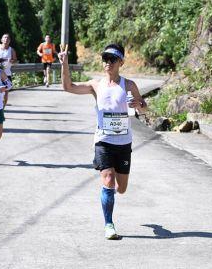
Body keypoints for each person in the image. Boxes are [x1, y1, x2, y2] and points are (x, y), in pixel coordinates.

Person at [59, 44, 147, 239]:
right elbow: (68, 87)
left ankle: (112, 192)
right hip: (103, 140)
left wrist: (139, 105)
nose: (108, 63)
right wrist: (64, 64)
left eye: (112, 59)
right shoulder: (95, 85)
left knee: (121, 188)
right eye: (105, 59)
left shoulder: (129, 85)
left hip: (124, 143)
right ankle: (109, 224)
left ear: (121, 62)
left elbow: (144, 109)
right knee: (108, 179)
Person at [0, 33, 18, 107]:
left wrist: (12, 61)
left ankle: (2, 109)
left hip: (7, 74)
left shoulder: (11, 50)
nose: (6, 39)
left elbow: (15, 60)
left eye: (8, 38)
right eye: (4, 37)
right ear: (1, 40)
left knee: (5, 94)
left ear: (9, 41)